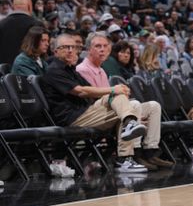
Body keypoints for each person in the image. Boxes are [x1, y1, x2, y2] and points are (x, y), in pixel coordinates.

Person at [41, 33, 152, 173]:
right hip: (72, 118)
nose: (70, 50)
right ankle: (129, 133)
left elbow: (95, 92)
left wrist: (116, 93)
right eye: (65, 47)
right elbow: (82, 91)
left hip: (85, 113)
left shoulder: (71, 70)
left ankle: (126, 157)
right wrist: (114, 90)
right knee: (116, 95)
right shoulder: (54, 70)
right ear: (55, 51)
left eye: (73, 47)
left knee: (124, 106)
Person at [76, 33, 171, 170]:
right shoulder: (82, 69)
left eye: (105, 46)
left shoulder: (101, 70)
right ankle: (133, 153)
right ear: (88, 49)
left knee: (153, 106)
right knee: (134, 104)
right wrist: (130, 111)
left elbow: (110, 97)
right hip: (96, 113)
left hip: (112, 110)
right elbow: (94, 99)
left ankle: (150, 151)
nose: (102, 49)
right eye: (98, 46)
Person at [0, 0, 41, 65]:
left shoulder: (1, 23)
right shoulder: (37, 25)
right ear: (29, 6)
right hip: (28, 70)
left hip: (3, 71)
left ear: (13, 7)